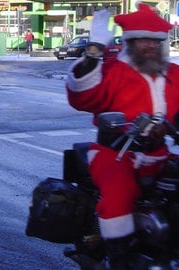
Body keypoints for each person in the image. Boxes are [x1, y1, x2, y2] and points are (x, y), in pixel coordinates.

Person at [66, 3, 179, 268]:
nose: (150, 46)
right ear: (130, 42)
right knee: (119, 193)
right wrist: (93, 53)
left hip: (158, 153)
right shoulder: (112, 71)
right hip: (115, 152)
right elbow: (82, 97)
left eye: (155, 41)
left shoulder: (174, 74)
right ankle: (122, 259)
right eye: (143, 40)